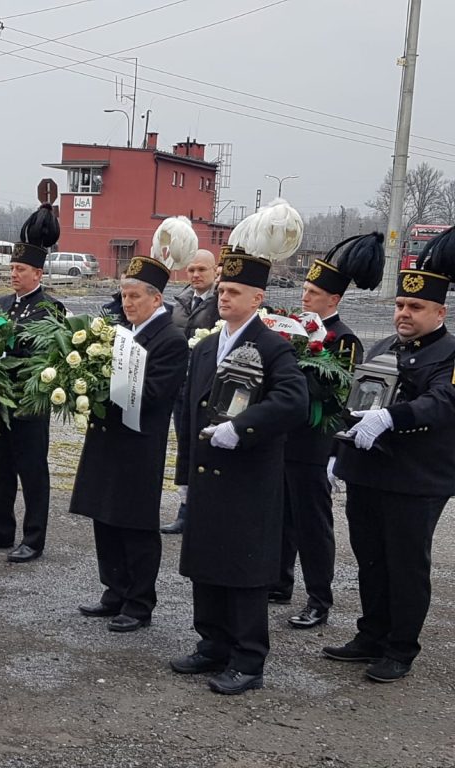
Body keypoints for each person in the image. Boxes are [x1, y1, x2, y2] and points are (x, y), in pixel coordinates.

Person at [170, 201, 307, 695]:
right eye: (222, 290)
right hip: (209, 473)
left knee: (245, 569)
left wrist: (244, 427)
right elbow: (189, 408)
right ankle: (212, 644)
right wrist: (186, 468)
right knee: (207, 561)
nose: (223, 298)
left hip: (248, 476)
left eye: (233, 292)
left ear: (258, 298)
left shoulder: (273, 346)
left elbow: (294, 402)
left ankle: (248, 659)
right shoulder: (208, 344)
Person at [326, 226, 455, 683]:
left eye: (416, 307)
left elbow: (442, 403)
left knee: (406, 564)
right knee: (371, 558)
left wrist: (391, 418)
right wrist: (335, 454)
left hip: (416, 479)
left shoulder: (450, 354)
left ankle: (400, 648)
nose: (404, 313)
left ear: (439, 311)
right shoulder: (383, 346)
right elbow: (354, 401)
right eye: (401, 305)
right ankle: (371, 635)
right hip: (368, 472)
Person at [70, 219, 190, 632]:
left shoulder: (170, 339)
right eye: (123, 295)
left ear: (156, 299)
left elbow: (157, 392)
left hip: (139, 444)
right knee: (104, 517)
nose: (126, 303)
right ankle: (113, 590)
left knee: (135, 524)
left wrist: (109, 384)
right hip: (108, 438)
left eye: (134, 296)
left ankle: (139, 602)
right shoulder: (121, 331)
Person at [271, 234, 383, 625]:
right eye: (304, 289)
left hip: (314, 443)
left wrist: (335, 453)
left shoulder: (343, 339)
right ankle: (280, 581)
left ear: (333, 300)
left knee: (312, 524)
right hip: (284, 437)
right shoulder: (292, 327)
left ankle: (319, 597)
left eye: (314, 292)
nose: (305, 297)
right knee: (280, 514)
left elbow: (340, 395)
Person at [0, 200, 65, 563]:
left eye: (21, 269)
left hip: (28, 401)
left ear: (38, 274)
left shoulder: (49, 307)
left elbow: (46, 353)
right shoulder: (1, 304)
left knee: (32, 471)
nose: (14, 274)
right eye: (13, 268)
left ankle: (33, 538)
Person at [162, 248, 219, 535]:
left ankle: (208, 510)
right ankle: (185, 509)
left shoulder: (222, 302)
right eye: (192, 270)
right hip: (181, 386)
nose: (196, 275)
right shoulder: (181, 301)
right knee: (185, 447)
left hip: (209, 389)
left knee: (208, 449)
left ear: (215, 271)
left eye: (202, 270)